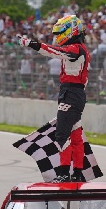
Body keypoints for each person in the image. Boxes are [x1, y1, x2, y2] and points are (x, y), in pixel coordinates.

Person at [18, 15, 90, 182]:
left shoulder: (75, 49)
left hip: (71, 94)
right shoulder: (80, 49)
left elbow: (54, 52)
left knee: (61, 135)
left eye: (60, 33)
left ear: (71, 31)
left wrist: (31, 44)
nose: (57, 37)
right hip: (75, 94)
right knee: (76, 135)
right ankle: (78, 172)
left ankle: (64, 173)